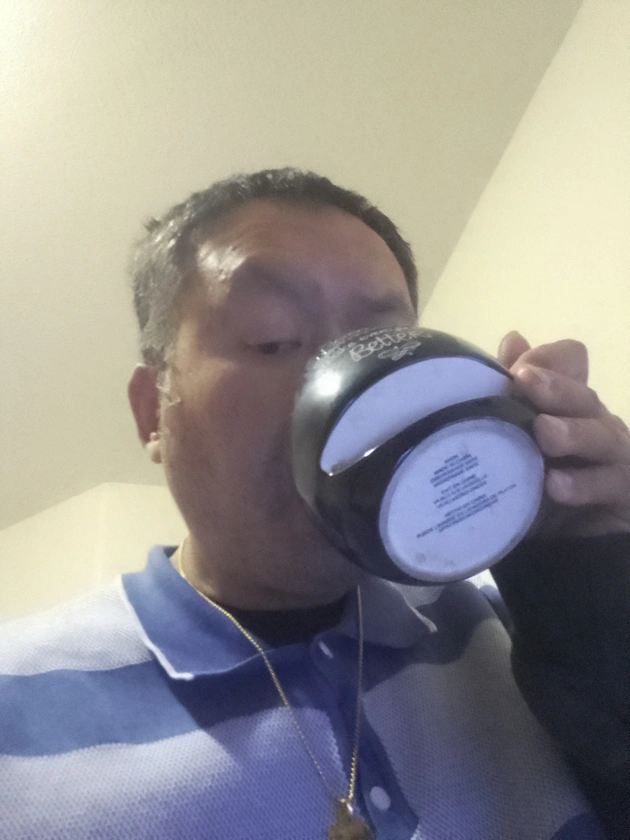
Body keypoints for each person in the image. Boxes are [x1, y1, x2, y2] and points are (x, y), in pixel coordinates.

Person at [0, 168, 628, 840]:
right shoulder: (17, 716)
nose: (353, 389)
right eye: (272, 340)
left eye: (383, 345)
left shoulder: (518, 627)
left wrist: (592, 578)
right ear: (153, 411)